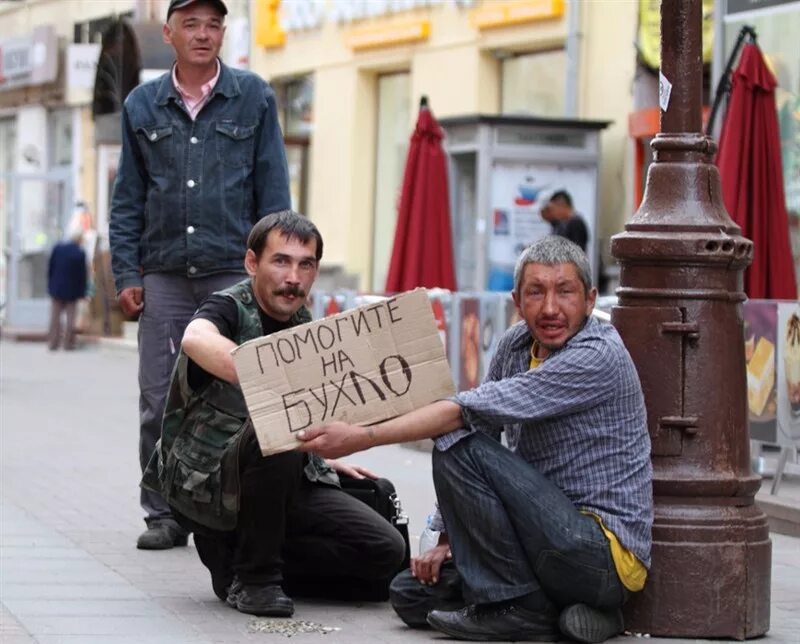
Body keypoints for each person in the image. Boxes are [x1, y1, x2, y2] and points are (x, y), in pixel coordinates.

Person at [297, 236, 653, 643]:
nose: (551, 308)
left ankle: (524, 607)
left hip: (597, 555)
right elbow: (483, 431)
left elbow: (464, 415)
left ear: (590, 301)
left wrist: (363, 436)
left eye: (565, 292)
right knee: (411, 596)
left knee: (454, 443)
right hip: (535, 542)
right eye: (536, 292)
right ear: (518, 301)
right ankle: (557, 611)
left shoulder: (597, 354)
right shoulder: (516, 345)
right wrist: (447, 538)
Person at [142, 211, 406, 617]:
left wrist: (323, 455)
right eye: (280, 261)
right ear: (253, 263)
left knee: (385, 553)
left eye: (306, 264)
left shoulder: (302, 323)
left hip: (280, 473)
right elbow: (195, 338)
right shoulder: (227, 306)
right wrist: (270, 380)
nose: (293, 277)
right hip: (210, 481)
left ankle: (239, 560)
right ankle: (255, 581)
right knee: (281, 427)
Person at [109, 0, 291, 550]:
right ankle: (163, 512)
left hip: (233, 274)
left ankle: (238, 506)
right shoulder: (142, 105)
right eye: (191, 24)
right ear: (169, 33)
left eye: (213, 24)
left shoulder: (254, 97)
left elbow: (273, 191)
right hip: (163, 273)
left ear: (223, 33)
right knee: (159, 394)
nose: (203, 34)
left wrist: (277, 270)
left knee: (247, 390)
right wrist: (125, 272)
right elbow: (128, 199)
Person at [47, 221, 88, 351]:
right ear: (79, 239)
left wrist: (50, 284)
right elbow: (82, 275)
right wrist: (82, 292)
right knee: (71, 318)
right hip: (73, 291)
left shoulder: (58, 248)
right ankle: (68, 344)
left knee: (55, 317)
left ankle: (53, 343)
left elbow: (50, 268)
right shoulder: (80, 253)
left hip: (57, 288)